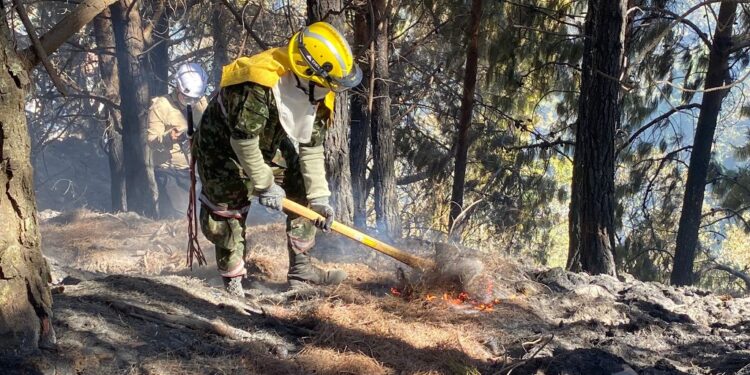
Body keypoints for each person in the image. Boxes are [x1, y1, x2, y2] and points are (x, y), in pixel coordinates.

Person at [193, 22, 362, 297]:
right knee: (227, 207)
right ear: (307, 71)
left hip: (266, 144)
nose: (333, 90)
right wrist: (265, 184)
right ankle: (233, 282)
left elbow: (312, 146)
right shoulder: (258, 82)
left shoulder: (319, 87)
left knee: (302, 186)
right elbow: (243, 141)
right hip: (222, 146)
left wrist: (319, 198)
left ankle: (301, 270)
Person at [147, 63, 209, 219]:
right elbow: (151, 140)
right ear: (177, 88)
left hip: (196, 169)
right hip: (170, 171)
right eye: (186, 97)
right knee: (180, 215)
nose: (191, 102)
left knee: (202, 212)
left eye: (195, 98)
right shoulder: (161, 106)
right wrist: (168, 137)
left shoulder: (201, 104)